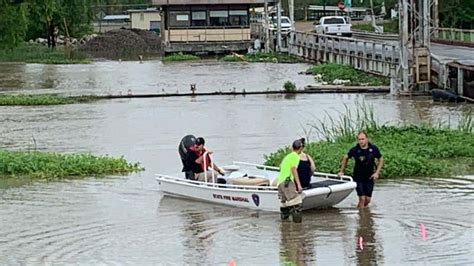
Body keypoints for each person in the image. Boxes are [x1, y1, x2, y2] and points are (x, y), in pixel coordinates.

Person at [338, 131, 384, 208]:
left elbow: (381, 159)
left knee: (367, 200)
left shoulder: (373, 149)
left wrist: (377, 172)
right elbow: (345, 157)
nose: (361, 141)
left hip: (369, 177)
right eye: (359, 139)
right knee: (362, 198)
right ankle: (361, 218)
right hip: (358, 177)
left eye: (362, 139)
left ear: (367, 139)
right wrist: (342, 171)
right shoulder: (355, 150)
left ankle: (361, 211)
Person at [277, 139, 304, 223]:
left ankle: (285, 228)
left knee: (284, 205)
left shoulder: (287, 157)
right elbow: (293, 169)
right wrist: (298, 185)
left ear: (292, 148)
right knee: (296, 203)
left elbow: (281, 167)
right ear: (301, 149)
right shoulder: (295, 156)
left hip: (280, 183)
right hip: (287, 182)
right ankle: (298, 229)